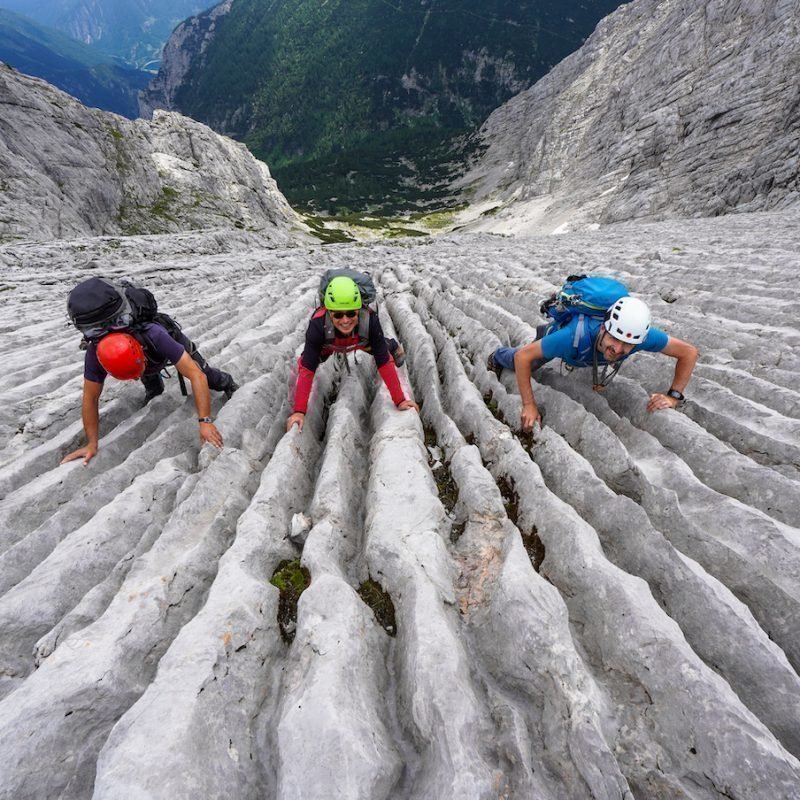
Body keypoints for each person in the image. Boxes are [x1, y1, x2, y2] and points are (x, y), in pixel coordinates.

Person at [62, 277, 238, 465]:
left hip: (166, 345)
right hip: (146, 358)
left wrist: (205, 421)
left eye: (136, 372)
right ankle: (153, 392)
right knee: (152, 388)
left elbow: (197, 376)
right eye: (132, 377)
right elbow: (90, 398)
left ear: (141, 353)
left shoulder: (154, 334)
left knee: (208, 375)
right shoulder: (95, 353)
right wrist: (92, 443)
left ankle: (228, 384)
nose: (135, 378)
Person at [488, 295, 698, 432]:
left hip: (584, 353)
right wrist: (529, 405)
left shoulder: (640, 337)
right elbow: (522, 357)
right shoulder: (570, 336)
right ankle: (497, 355)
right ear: (604, 328)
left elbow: (688, 352)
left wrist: (674, 397)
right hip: (557, 339)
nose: (618, 349)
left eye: (627, 345)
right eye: (614, 339)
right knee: (528, 363)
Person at [287, 276, 418, 431]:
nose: (345, 320)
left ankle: (391, 344)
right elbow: (307, 369)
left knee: (380, 346)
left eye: (351, 314)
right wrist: (299, 411)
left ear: (359, 310)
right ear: (328, 312)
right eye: (337, 315)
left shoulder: (369, 321)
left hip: (360, 340)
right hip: (330, 344)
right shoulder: (317, 325)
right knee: (309, 360)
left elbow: (383, 362)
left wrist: (400, 400)